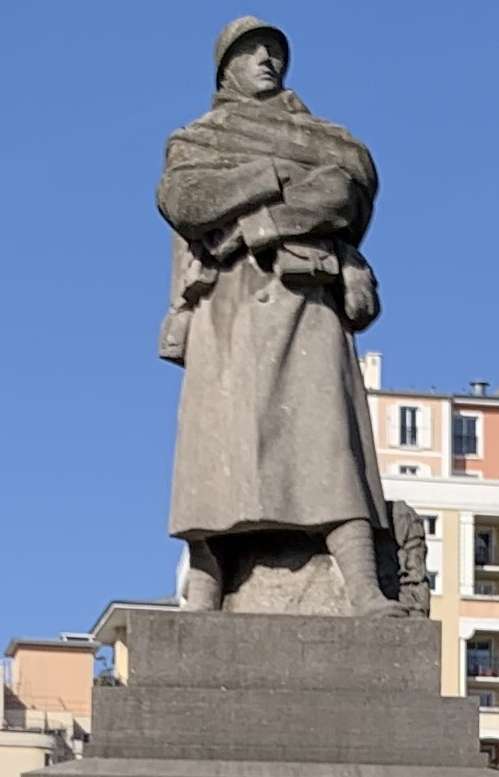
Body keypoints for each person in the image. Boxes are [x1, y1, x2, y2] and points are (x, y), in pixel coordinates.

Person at [157, 17, 397, 614]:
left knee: (327, 440)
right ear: (226, 68)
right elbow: (186, 200)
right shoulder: (196, 140)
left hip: (305, 298)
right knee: (218, 454)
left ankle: (362, 584)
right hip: (226, 309)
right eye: (252, 50)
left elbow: (344, 192)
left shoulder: (326, 138)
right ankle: (209, 580)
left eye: (275, 50)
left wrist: (260, 222)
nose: (268, 59)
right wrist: (273, 173)